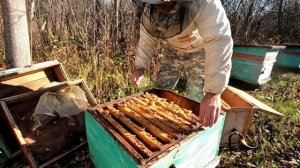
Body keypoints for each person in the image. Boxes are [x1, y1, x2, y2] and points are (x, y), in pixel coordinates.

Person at [129, 0, 233, 127]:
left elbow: (218, 40)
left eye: (162, 2)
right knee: (162, 89)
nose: (158, 6)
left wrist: (213, 92)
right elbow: (147, 40)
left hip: (199, 50)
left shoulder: (206, 3)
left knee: (196, 97)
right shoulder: (149, 8)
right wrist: (140, 67)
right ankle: (157, 122)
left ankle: (192, 129)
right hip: (172, 49)